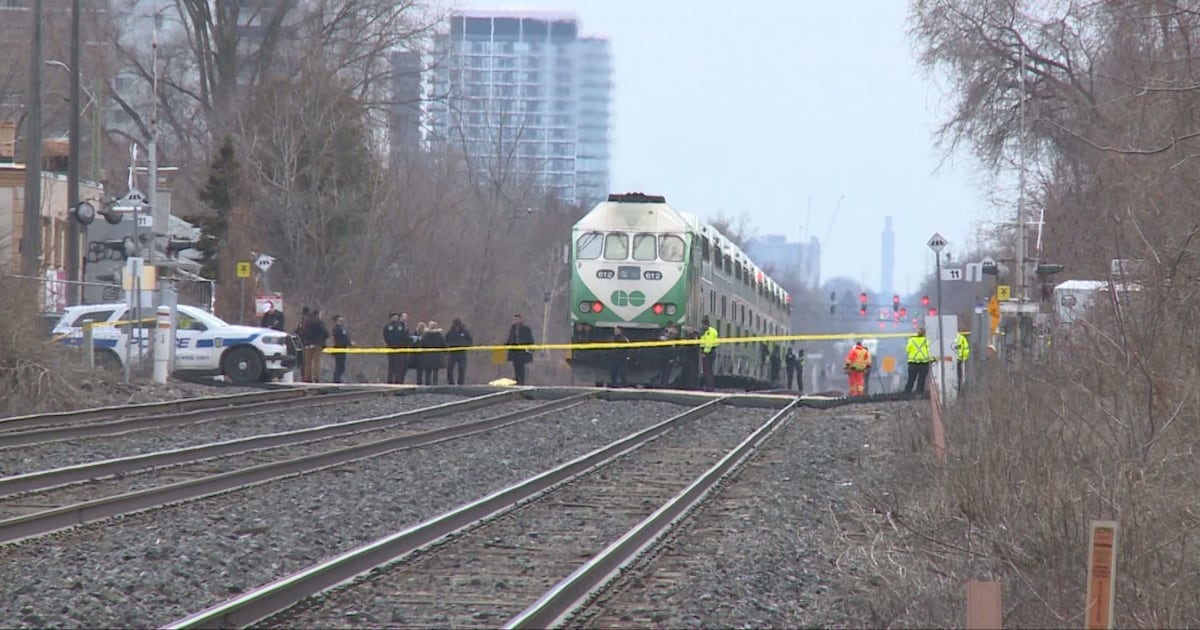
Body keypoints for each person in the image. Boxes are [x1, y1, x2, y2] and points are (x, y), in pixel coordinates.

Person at [299, 308, 330, 383]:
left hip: (307, 344)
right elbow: (326, 332)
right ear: (317, 314)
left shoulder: (305, 321)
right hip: (317, 343)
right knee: (316, 362)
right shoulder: (319, 322)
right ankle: (316, 378)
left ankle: (307, 378)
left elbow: (301, 332)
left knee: (307, 362)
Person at [506, 314, 535, 385]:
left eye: (517, 319)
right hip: (514, 352)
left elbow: (530, 339)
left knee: (521, 369)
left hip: (522, 352)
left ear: (521, 320)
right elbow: (510, 339)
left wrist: (530, 349)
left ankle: (521, 383)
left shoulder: (526, 329)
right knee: (516, 368)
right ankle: (516, 382)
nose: (516, 321)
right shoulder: (512, 329)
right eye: (515, 319)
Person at [903, 327, 934, 395]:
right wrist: (931, 360)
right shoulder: (926, 340)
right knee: (921, 379)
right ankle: (919, 393)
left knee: (911, 379)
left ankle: (907, 392)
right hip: (923, 363)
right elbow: (930, 351)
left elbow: (907, 350)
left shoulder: (911, 340)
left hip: (913, 362)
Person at [445, 318, 474, 385]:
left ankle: (460, 383)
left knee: (462, 369)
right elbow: (446, 340)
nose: (457, 327)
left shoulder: (465, 331)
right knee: (449, 368)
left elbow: (470, 340)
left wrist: (464, 345)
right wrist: (450, 346)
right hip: (453, 353)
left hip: (462, 353)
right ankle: (451, 383)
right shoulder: (450, 332)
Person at [419, 320, 448, 386]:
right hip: (436, 356)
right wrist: (445, 353)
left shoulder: (425, 335)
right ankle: (435, 384)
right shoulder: (439, 335)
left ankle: (427, 384)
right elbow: (444, 344)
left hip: (427, 355)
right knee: (435, 371)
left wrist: (422, 352)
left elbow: (421, 344)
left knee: (427, 371)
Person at [382, 313, 409, 384]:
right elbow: (386, 337)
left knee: (399, 366)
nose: (396, 319)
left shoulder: (400, 326)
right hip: (391, 349)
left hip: (400, 349)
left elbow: (403, 337)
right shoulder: (388, 327)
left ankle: (398, 381)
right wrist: (391, 344)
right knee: (392, 366)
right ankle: (390, 380)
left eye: (396, 317)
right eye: (394, 317)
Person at [330, 314, 352, 383]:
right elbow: (343, 338)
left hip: (341, 348)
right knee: (340, 366)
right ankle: (336, 379)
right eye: (340, 319)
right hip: (340, 349)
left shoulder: (339, 328)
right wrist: (350, 343)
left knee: (340, 366)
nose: (342, 320)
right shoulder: (338, 329)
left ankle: (337, 379)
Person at [700, 316, 718, 392]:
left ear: (706, 324)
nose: (702, 326)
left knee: (707, 371)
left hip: (709, 353)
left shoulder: (709, 332)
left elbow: (709, 343)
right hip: (710, 352)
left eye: (703, 324)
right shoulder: (709, 331)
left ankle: (709, 388)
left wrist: (705, 352)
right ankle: (709, 387)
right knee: (708, 371)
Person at [681, 324, 700, 390]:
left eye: (689, 329)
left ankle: (693, 386)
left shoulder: (695, 336)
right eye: (687, 330)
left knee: (692, 372)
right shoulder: (687, 336)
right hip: (687, 356)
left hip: (693, 356)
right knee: (687, 371)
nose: (688, 331)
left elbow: (695, 345)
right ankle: (688, 385)